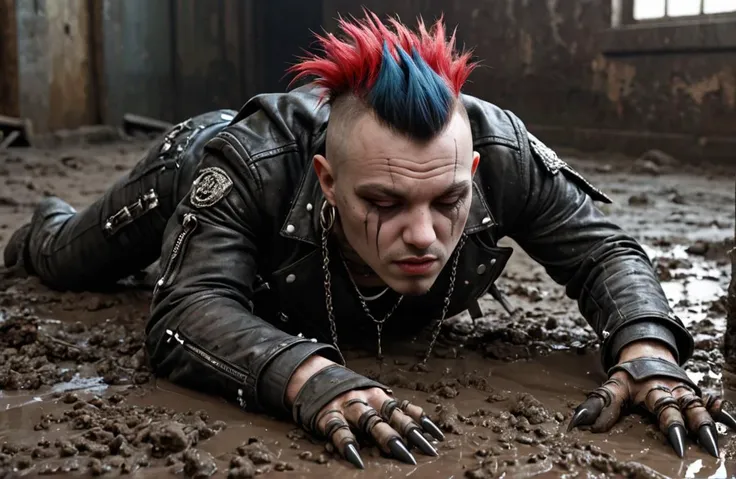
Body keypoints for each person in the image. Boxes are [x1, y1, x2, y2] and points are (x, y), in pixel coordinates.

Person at [3, 10, 733, 469]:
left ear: (472, 170)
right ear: (325, 179)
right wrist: (308, 378)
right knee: (65, 260)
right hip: (196, 160)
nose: (422, 236)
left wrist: (647, 353)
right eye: (383, 202)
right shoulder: (252, 164)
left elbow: (605, 248)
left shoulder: (501, 149)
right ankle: (43, 221)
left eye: (448, 200)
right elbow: (185, 309)